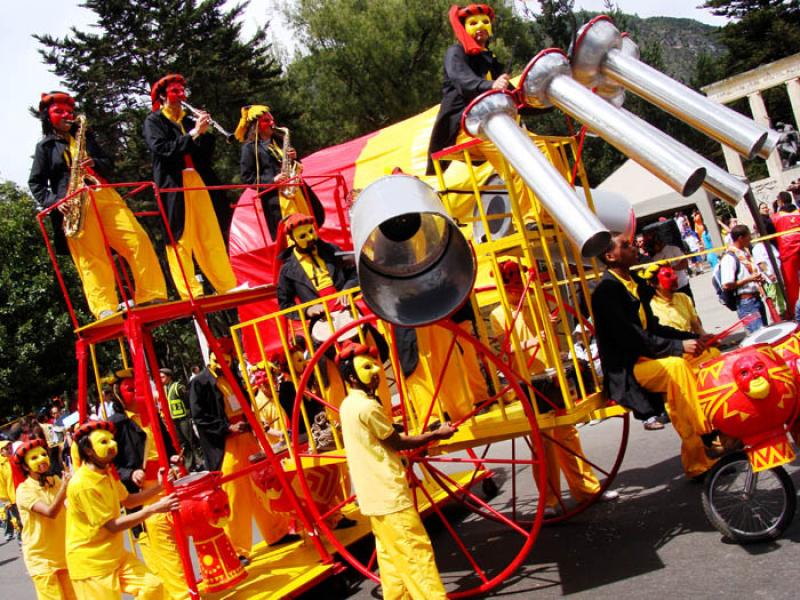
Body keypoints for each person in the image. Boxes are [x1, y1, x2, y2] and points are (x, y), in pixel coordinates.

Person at [592, 233, 730, 479]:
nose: (634, 247)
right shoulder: (606, 291)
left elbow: (653, 327)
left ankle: (725, 425)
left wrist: (691, 339)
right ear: (610, 256)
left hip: (651, 356)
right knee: (677, 367)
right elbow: (632, 338)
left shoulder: (635, 281)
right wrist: (678, 348)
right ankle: (705, 443)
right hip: (628, 368)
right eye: (626, 246)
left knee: (711, 354)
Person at [488, 261, 617, 517]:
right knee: (543, 444)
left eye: (518, 283)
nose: (516, 289)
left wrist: (549, 322)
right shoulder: (497, 314)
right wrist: (533, 340)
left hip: (551, 374)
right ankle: (548, 502)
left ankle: (586, 490)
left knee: (567, 435)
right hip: (529, 382)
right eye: (510, 285)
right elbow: (505, 350)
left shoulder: (534, 301)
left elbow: (549, 330)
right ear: (502, 287)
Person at [28, 91, 167, 320]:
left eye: (69, 111)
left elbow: (109, 163)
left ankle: (151, 294)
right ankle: (104, 308)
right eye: (59, 111)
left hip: (104, 194)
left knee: (137, 239)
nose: (66, 115)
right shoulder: (45, 147)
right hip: (74, 203)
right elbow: (36, 183)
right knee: (91, 258)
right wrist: (55, 202)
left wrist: (95, 162)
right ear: (47, 116)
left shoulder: (85, 137)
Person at [337, 342, 453, 600]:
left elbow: (380, 435)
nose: (377, 370)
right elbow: (397, 443)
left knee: (390, 558)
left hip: (371, 498)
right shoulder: (368, 407)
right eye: (367, 366)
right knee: (416, 554)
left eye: (375, 363)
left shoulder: (347, 405)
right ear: (352, 376)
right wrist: (436, 434)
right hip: (390, 495)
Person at [188, 339, 296, 562]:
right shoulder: (200, 382)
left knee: (262, 486)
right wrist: (227, 428)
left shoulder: (232, 376)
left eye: (229, 353)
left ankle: (276, 532)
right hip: (226, 444)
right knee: (234, 496)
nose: (226, 357)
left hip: (246, 436)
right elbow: (200, 418)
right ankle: (237, 550)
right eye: (222, 353)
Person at [143, 74, 237, 299]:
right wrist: (194, 133)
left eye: (182, 91)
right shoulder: (154, 121)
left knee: (210, 233)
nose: (181, 96)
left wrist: (204, 133)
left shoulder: (188, 120)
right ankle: (190, 292)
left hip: (197, 179)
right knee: (180, 237)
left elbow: (204, 156)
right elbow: (163, 149)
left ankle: (227, 285)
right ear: (163, 96)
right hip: (173, 184)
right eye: (175, 92)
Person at [66, 420, 179, 599]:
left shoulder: (107, 472)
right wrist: (154, 509)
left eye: (112, 440)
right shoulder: (83, 484)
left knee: (153, 586)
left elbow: (129, 501)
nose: (113, 445)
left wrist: (159, 487)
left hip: (116, 556)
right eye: (104, 442)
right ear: (88, 450)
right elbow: (112, 526)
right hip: (92, 564)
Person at [108, 371, 188, 600]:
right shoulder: (117, 424)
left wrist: (173, 456)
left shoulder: (150, 413)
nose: (135, 393)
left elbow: (164, 441)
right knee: (159, 544)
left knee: (176, 537)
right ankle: (181, 594)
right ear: (118, 395)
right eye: (129, 389)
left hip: (165, 482)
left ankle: (176, 591)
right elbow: (112, 463)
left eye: (136, 387)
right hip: (141, 493)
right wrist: (130, 472)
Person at [234, 105, 324, 239]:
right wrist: (273, 180)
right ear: (256, 126)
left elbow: (295, 165)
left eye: (272, 119)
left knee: (309, 226)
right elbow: (247, 177)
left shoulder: (280, 139)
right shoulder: (249, 148)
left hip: (297, 191)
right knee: (291, 234)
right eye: (266, 121)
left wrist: (294, 158)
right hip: (277, 199)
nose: (272, 123)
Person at [13, 439, 75, 600]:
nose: (41, 459)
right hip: (41, 560)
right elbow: (50, 512)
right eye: (34, 458)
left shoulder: (55, 480)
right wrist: (64, 487)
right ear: (26, 467)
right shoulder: (24, 490)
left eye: (43, 454)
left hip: (64, 555)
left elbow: (69, 504)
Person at [719, 225, 767, 334]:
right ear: (740, 238)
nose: (750, 239)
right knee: (758, 335)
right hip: (746, 303)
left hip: (755, 299)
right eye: (748, 236)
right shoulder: (729, 258)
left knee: (764, 333)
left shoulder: (744, 254)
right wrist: (750, 279)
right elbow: (726, 285)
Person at [642, 264, 709, 337]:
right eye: (668, 275)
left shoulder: (683, 298)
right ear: (654, 284)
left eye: (674, 274)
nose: (674, 278)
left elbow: (696, 327)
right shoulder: (651, 307)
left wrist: (706, 338)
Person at [159, 368, 202, 472]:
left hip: (183, 418)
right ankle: (189, 464)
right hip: (174, 420)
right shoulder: (164, 389)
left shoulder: (178, 387)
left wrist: (190, 416)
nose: (161, 379)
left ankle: (200, 461)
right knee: (183, 443)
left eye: (163, 377)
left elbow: (187, 401)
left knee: (191, 440)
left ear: (169, 376)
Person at [771, 191, 800, 314]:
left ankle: (794, 312)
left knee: (791, 284)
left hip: (787, 252)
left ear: (780, 202)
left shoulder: (776, 217)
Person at [651, 233, 694, 302]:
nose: (653, 247)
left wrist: (671, 268)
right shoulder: (655, 258)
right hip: (669, 291)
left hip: (682, 285)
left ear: (659, 242)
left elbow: (685, 264)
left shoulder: (673, 249)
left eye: (654, 244)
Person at [0, 440, 21, 542]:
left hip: (21, 493)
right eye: (6, 449)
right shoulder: (1, 465)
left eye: (10, 448)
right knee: (17, 520)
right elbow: (1, 485)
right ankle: (21, 540)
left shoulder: (15, 460)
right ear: (1, 451)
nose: (9, 450)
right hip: (11, 498)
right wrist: (5, 500)